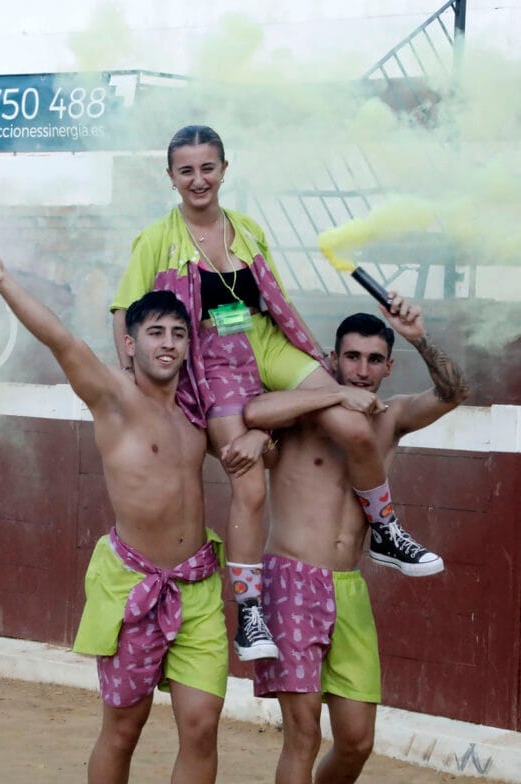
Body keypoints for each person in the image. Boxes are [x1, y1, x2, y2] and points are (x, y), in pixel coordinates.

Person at [112, 124, 442, 666]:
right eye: (187, 170)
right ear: (171, 178)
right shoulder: (155, 239)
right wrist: (134, 380)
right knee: (249, 481)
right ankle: (248, 611)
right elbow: (127, 312)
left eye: (208, 167)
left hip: (265, 343)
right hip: (212, 358)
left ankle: (384, 530)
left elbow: (275, 302)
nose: (199, 179)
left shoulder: (247, 229)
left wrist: (309, 374)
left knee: (352, 422)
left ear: (224, 169)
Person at [0, 239, 226, 784]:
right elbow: (60, 338)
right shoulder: (111, 396)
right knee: (123, 728)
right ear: (130, 343)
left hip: (197, 583)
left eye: (177, 333)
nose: (168, 343)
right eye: (154, 332)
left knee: (201, 725)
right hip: (135, 582)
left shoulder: (199, 414)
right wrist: (2, 278)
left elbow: (250, 342)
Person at [243, 298, 468, 784]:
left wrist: (418, 337)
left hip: (350, 589)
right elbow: (253, 410)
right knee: (301, 732)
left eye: (373, 359)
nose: (361, 369)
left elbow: (453, 392)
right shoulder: (305, 409)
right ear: (332, 358)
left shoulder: (388, 417)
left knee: (356, 742)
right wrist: (330, 394)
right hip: (291, 578)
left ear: (388, 368)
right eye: (351, 357)